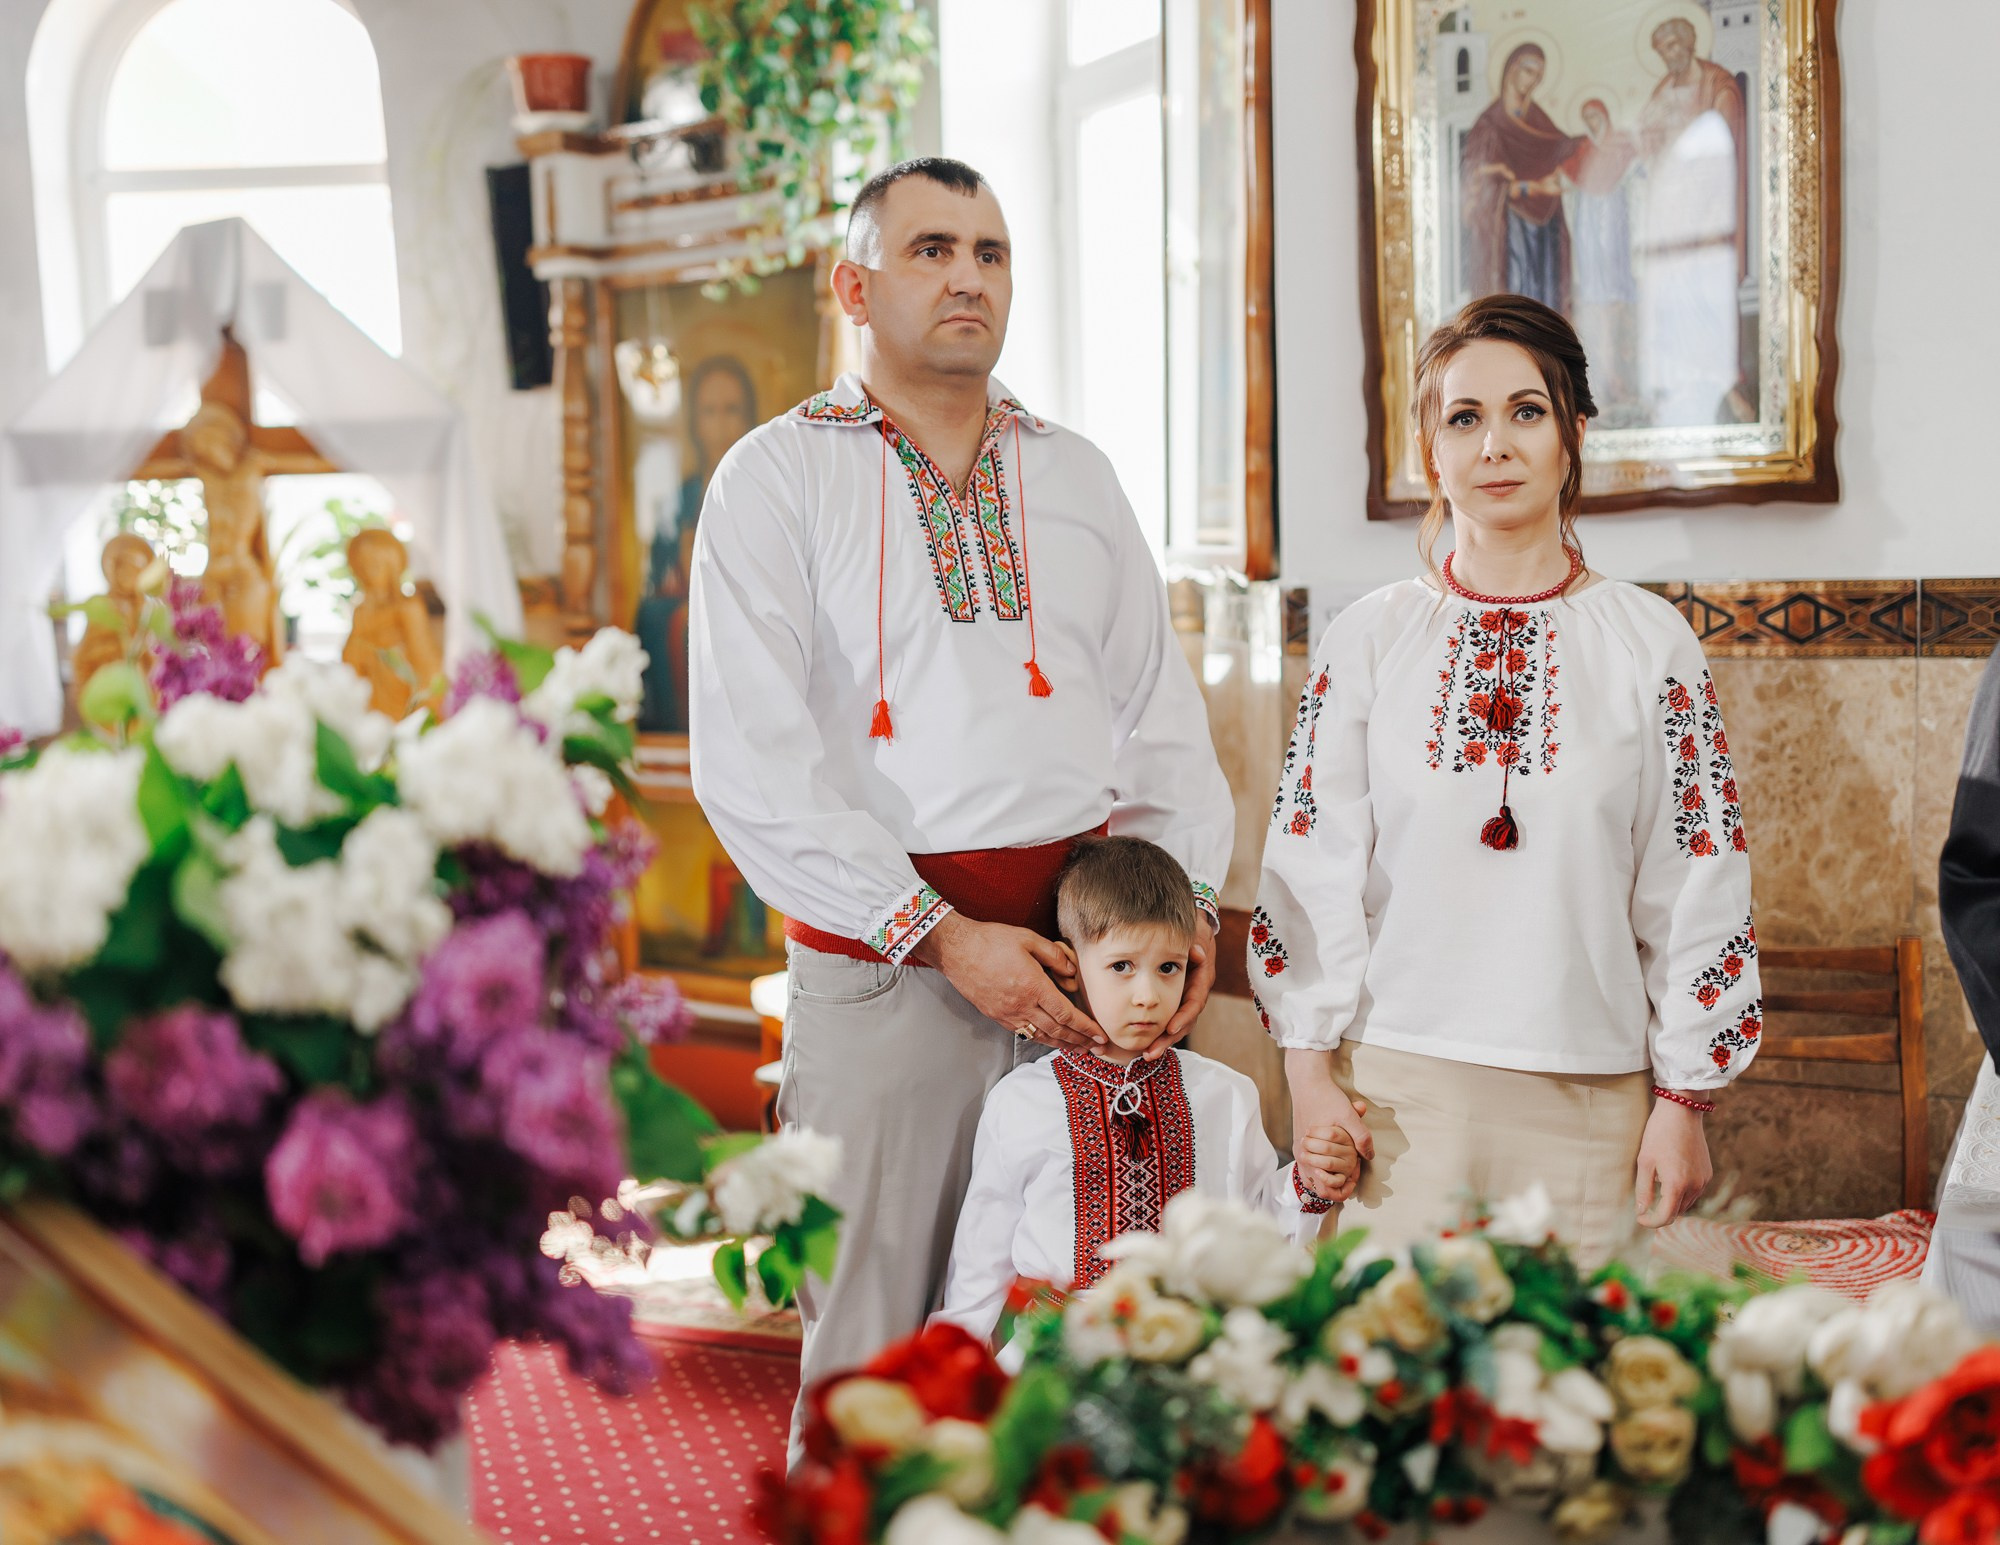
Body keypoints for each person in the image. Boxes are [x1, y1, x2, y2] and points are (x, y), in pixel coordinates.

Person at [686, 158, 1234, 1454]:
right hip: (886, 976)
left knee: (1085, 1309)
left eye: (991, 252)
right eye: (933, 249)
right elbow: (753, 765)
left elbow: (1159, 721)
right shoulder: (774, 481)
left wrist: (1184, 915)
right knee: (878, 1338)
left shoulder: (1079, 477)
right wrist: (936, 935)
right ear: (854, 283)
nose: (969, 276)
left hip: (1083, 961)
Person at [1252, 293, 1761, 1267]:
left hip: (1589, 1102)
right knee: (1382, 1399)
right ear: (1428, 449)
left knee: (1569, 1406)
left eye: (1525, 412)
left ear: (1573, 434)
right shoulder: (1368, 639)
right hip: (1397, 1102)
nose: (1494, 444)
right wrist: (1308, 1076)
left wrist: (1682, 1100)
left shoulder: (1648, 644)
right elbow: (1308, 865)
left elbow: (1696, 877)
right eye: (1463, 417)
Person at [935, 837, 1351, 1352]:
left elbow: (1256, 1226)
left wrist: (1309, 1179)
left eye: (1168, 968)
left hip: (1190, 1354)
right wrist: (949, 1367)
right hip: (1057, 1359)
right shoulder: (1021, 1102)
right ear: (1071, 964)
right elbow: (981, 1258)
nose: (1148, 995)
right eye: (1121, 966)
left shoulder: (1224, 1094)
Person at [1634, 17, 1752, 425]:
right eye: (1663, 49)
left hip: (1706, 209)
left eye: (1674, 45)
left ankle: (1723, 383)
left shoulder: (1718, 84)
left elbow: (1721, 139)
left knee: (1706, 291)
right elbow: (1647, 141)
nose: (1670, 54)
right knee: (1672, 291)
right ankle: (1678, 381)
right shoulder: (1662, 90)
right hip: (1670, 210)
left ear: (1689, 43)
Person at [637, 355, 758, 732]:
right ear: (694, 423)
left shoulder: (767, 492)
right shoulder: (680, 500)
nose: (721, 424)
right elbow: (656, 583)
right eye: (709, 411)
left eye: (731, 410)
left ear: (749, 418)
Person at [1460, 43, 1582, 312]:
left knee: (1544, 297)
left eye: (1539, 75)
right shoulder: (1488, 126)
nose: (1533, 79)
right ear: (1511, 69)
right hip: (1511, 229)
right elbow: (1480, 188)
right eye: (1529, 70)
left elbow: (1558, 147)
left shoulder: (1537, 118)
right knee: (1518, 296)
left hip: (1545, 225)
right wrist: (1532, 187)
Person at [1562, 100, 1640, 408]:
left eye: (1595, 116)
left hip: (1614, 212)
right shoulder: (1583, 148)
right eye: (1587, 118)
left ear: (1606, 116)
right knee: (1595, 253)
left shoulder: (1619, 143)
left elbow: (1637, 165)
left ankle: (1619, 385)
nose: (1592, 123)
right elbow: (1571, 175)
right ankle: (1605, 388)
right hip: (1589, 220)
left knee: (1612, 251)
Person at [342, 527, 441, 720]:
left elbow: (424, 659)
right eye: (363, 565)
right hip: (369, 698)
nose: (368, 573)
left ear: (392, 566)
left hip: (403, 693)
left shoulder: (408, 608)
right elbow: (349, 661)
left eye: (376, 565)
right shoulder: (361, 611)